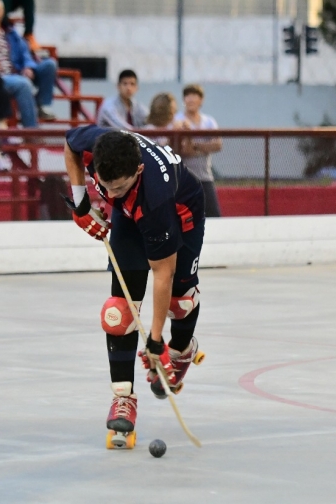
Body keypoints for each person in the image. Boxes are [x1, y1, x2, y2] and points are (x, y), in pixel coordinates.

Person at [63, 124, 205, 446]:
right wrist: (82, 202)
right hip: (131, 214)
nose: (110, 196)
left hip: (182, 212)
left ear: (138, 170)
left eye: (118, 188)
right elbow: (69, 145)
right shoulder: (96, 145)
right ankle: (123, 398)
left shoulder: (155, 198)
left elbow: (162, 274)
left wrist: (156, 342)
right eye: (105, 186)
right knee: (119, 313)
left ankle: (181, 351)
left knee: (178, 302)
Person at [0, 0, 56, 128]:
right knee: (23, 84)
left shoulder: (11, 32)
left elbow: (25, 53)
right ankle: (31, 132)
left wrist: (29, 67)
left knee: (50, 64)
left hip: (17, 72)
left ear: (3, 12)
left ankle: (41, 105)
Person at [175, 83, 223, 217]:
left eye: (194, 96)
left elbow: (218, 144)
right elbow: (185, 150)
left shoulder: (209, 121)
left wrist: (195, 145)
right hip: (183, 179)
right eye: (187, 96)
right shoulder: (178, 120)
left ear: (201, 100)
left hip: (205, 176)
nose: (190, 99)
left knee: (214, 216)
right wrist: (204, 146)